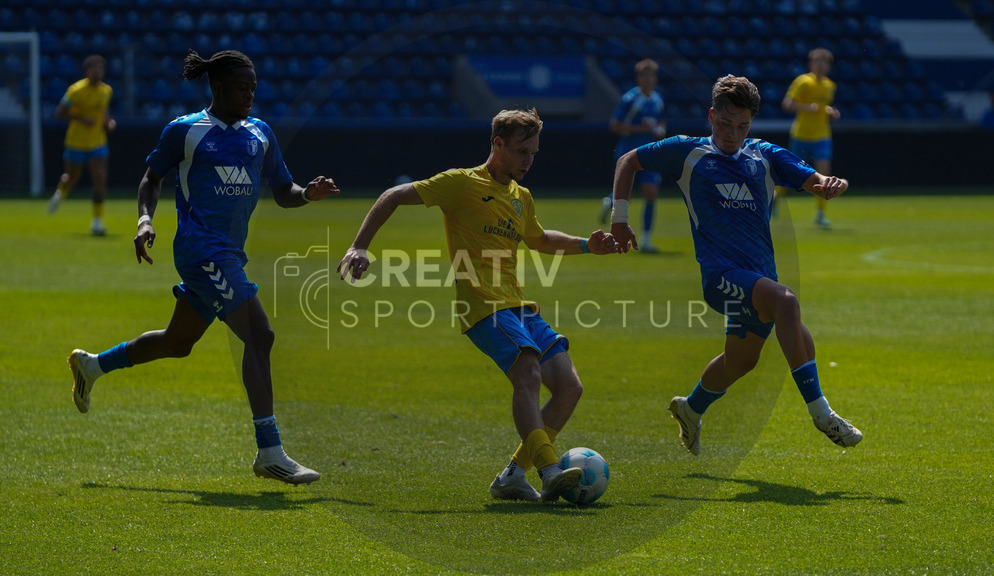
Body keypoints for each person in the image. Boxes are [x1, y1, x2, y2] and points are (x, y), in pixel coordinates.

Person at [67, 49, 340, 485]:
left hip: (228, 253)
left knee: (178, 342)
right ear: (216, 88)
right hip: (200, 250)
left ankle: (93, 366)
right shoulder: (186, 131)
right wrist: (143, 220)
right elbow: (152, 178)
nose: (250, 94)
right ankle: (270, 451)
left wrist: (308, 192)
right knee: (260, 334)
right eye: (241, 87)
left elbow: (283, 189)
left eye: (253, 87)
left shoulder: (260, 133)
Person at [337, 108, 619, 503]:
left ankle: (512, 476)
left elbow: (538, 240)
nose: (528, 161)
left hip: (519, 306)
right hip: (483, 306)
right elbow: (393, 195)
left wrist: (589, 244)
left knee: (570, 387)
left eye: (534, 153)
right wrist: (360, 244)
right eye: (522, 151)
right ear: (497, 144)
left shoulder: (522, 196)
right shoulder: (460, 183)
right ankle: (550, 470)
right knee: (528, 372)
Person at [609, 75, 862, 456]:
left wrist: (828, 183)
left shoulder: (763, 155)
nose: (732, 134)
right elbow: (629, 160)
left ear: (751, 124)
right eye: (725, 124)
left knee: (742, 361)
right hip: (720, 277)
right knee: (788, 304)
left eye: (742, 126)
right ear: (711, 116)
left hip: (758, 278)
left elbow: (811, 178)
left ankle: (690, 409)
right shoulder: (687, 152)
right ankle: (822, 414)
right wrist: (619, 219)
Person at [600, 58, 666, 252]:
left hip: (649, 153)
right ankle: (610, 201)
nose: (648, 79)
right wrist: (640, 128)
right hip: (628, 152)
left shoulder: (657, 100)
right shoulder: (630, 99)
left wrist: (660, 130)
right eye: (644, 75)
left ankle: (646, 239)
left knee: (651, 192)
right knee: (624, 194)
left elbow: (661, 121)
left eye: (651, 75)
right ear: (638, 78)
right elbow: (615, 125)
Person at [47, 54, 117, 236]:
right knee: (72, 177)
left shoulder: (106, 90)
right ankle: (60, 192)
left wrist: (108, 122)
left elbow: (104, 112)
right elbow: (60, 112)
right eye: (94, 68)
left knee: (100, 181)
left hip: (97, 143)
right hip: (76, 142)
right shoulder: (76, 90)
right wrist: (80, 118)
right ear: (87, 71)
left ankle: (97, 222)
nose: (97, 71)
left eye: (100, 68)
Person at [780, 47, 840, 230]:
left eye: (825, 62)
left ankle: (821, 214)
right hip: (801, 135)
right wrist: (807, 108)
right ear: (811, 64)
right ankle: (773, 198)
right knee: (789, 174)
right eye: (818, 61)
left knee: (825, 174)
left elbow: (824, 107)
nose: (821, 65)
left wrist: (830, 112)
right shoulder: (803, 82)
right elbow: (787, 104)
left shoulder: (830, 86)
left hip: (822, 135)